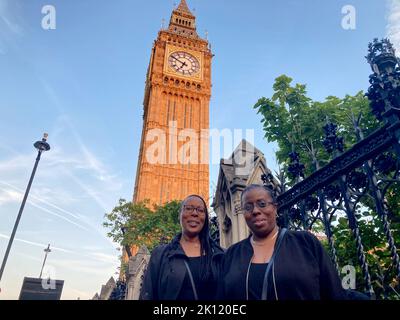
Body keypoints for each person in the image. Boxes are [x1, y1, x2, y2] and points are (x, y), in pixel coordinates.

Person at [219, 184, 347, 300]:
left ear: (275, 208)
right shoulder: (232, 254)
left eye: (262, 204)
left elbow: (334, 292)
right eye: (248, 207)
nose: (255, 211)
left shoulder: (305, 243)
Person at [140, 195, 224, 300]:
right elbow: (147, 295)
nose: (194, 213)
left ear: (206, 217)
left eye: (200, 210)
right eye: (188, 208)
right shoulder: (160, 255)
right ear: (180, 214)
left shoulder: (220, 255)